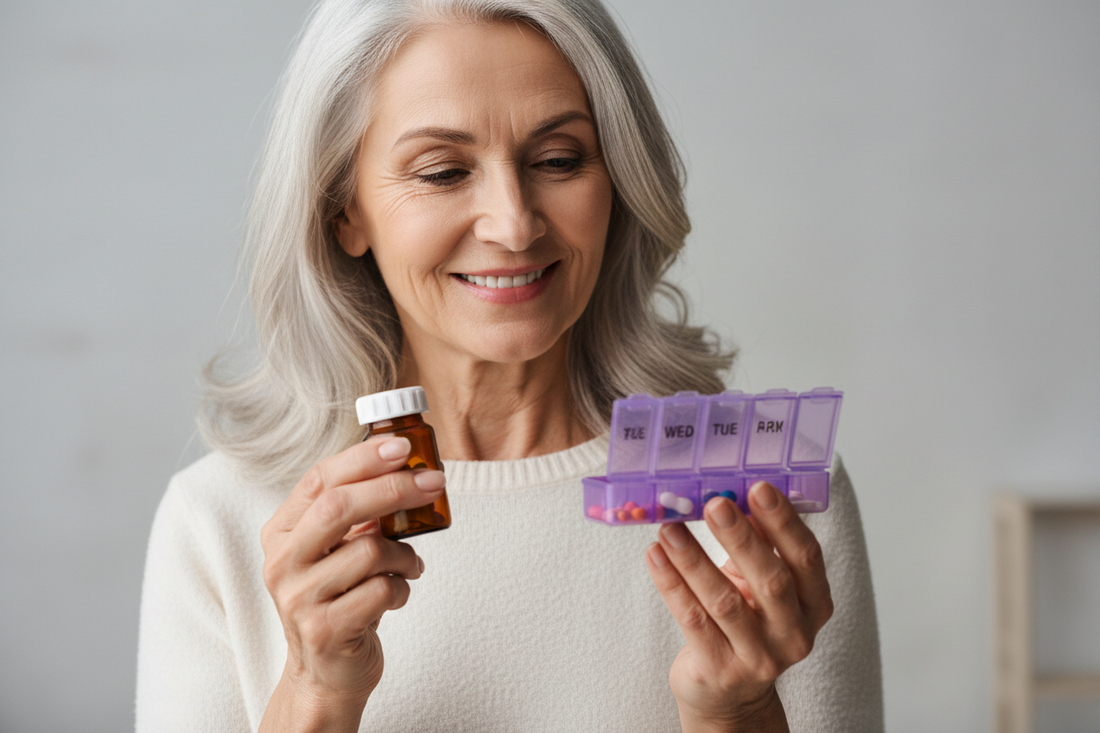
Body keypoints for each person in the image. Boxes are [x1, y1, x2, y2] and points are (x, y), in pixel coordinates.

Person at [136, 1, 883, 731]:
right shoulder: (220, 524)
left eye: (558, 160)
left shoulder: (767, 497)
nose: (515, 223)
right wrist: (312, 695)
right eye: (441, 171)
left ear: (617, 180)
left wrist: (741, 714)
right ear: (345, 209)